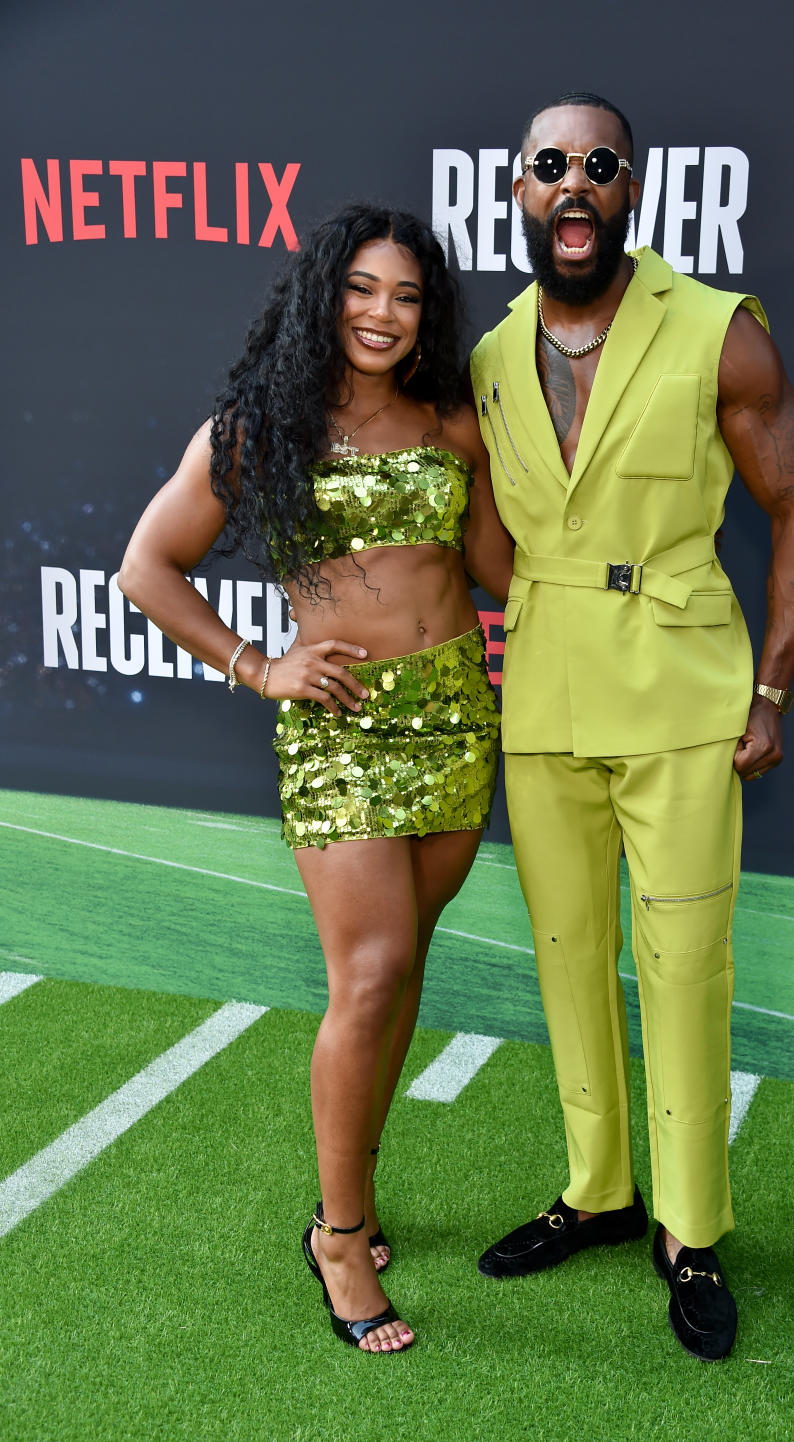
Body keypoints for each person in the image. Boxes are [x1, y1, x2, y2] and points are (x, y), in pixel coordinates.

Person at [469, 93, 794, 1361]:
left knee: (682, 971)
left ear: (635, 189)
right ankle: (598, 1190)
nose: (575, 186)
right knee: (567, 956)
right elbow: (485, 537)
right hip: (545, 691)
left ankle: (690, 1227)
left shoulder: (720, 331)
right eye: (549, 166)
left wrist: (773, 686)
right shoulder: (491, 351)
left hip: (685, 691)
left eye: (600, 167)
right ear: (517, 190)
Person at [119, 204, 514, 1355]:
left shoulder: (450, 418)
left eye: (407, 295)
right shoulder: (261, 425)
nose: (384, 314)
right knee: (375, 969)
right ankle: (338, 1236)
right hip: (338, 728)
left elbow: (492, 567)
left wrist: (532, 461)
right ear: (323, 295)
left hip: (453, 721)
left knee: (400, 974)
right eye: (362, 289)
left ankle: (363, 1195)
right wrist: (259, 665)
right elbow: (149, 564)